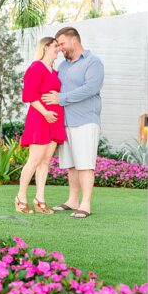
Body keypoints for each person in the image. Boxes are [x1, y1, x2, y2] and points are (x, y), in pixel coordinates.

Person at [41, 26, 104, 219]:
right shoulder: (64, 66)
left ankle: (85, 204)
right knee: (71, 165)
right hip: (65, 122)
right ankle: (72, 200)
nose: (60, 48)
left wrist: (61, 98)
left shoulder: (93, 62)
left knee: (85, 164)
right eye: (58, 45)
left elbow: (91, 89)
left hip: (85, 120)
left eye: (62, 44)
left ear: (74, 41)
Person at [16, 36, 66, 214]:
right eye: (55, 46)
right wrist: (45, 113)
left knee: (46, 161)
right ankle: (21, 197)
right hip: (40, 119)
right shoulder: (36, 67)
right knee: (34, 160)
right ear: (45, 47)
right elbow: (29, 95)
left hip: (55, 120)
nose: (58, 49)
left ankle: (40, 199)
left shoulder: (54, 71)